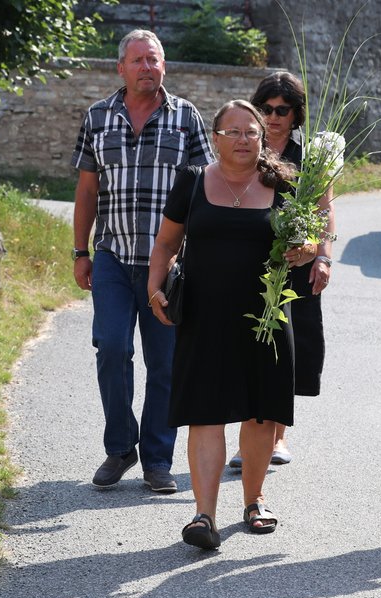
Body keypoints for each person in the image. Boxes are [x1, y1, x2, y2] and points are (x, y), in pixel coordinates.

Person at [148, 100, 315, 549]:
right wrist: (154, 286)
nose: (244, 140)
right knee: (204, 413)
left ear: (263, 138)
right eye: (233, 132)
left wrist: (307, 250)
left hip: (266, 316)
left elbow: (308, 237)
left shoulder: (282, 183)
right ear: (216, 137)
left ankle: (254, 499)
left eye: (252, 132)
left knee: (261, 412)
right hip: (204, 316)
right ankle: (204, 516)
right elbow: (166, 243)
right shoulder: (192, 181)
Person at [71, 29, 214, 494]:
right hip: (113, 256)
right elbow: (88, 190)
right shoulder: (97, 118)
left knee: (165, 363)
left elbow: (207, 190)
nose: (146, 68)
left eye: (153, 60)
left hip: (170, 266)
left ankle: (157, 459)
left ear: (164, 66)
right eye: (138, 60)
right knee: (112, 348)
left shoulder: (186, 118)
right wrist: (80, 251)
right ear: (121, 67)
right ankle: (119, 447)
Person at [228, 71, 335, 470]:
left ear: (296, 114)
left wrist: (321, 255)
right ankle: (249, 440)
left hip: (297, 266)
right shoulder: (245, 149)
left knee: (287, 352)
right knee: (251, 348)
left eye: (282, 110)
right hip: (250, 265)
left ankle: (277, 436)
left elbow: (324, 209)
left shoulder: (310, 156)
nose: (273, 117)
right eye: (267, 108)